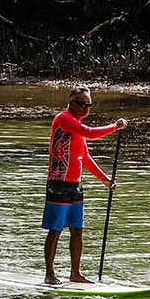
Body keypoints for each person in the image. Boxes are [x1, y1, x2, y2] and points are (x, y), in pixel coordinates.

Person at [44, 86, 122, 285]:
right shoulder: (64, 120)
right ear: (71, 103)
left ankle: (75, 273)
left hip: (75, 185)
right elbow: (91, 132)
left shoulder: (76, 124)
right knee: (56, 229)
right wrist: (115, 126)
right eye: (82, 104)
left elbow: (84, 157)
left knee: (77, 230)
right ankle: (49, 274)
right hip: (59, 183)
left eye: (89, 104)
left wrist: (104, 179)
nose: (87, 108)